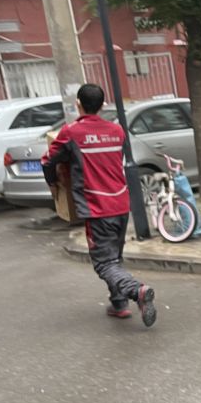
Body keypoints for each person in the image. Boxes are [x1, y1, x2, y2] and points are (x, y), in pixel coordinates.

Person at [42, 84, 156, 327]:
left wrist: (54, 184)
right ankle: (119, 304)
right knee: (114, 258)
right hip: (120, 203)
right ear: (103, 105)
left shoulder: (71, 132)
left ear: (78, 104)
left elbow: (48, 161)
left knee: (104, 263)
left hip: (96, 207)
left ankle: (136, 291)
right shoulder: (117, 131)